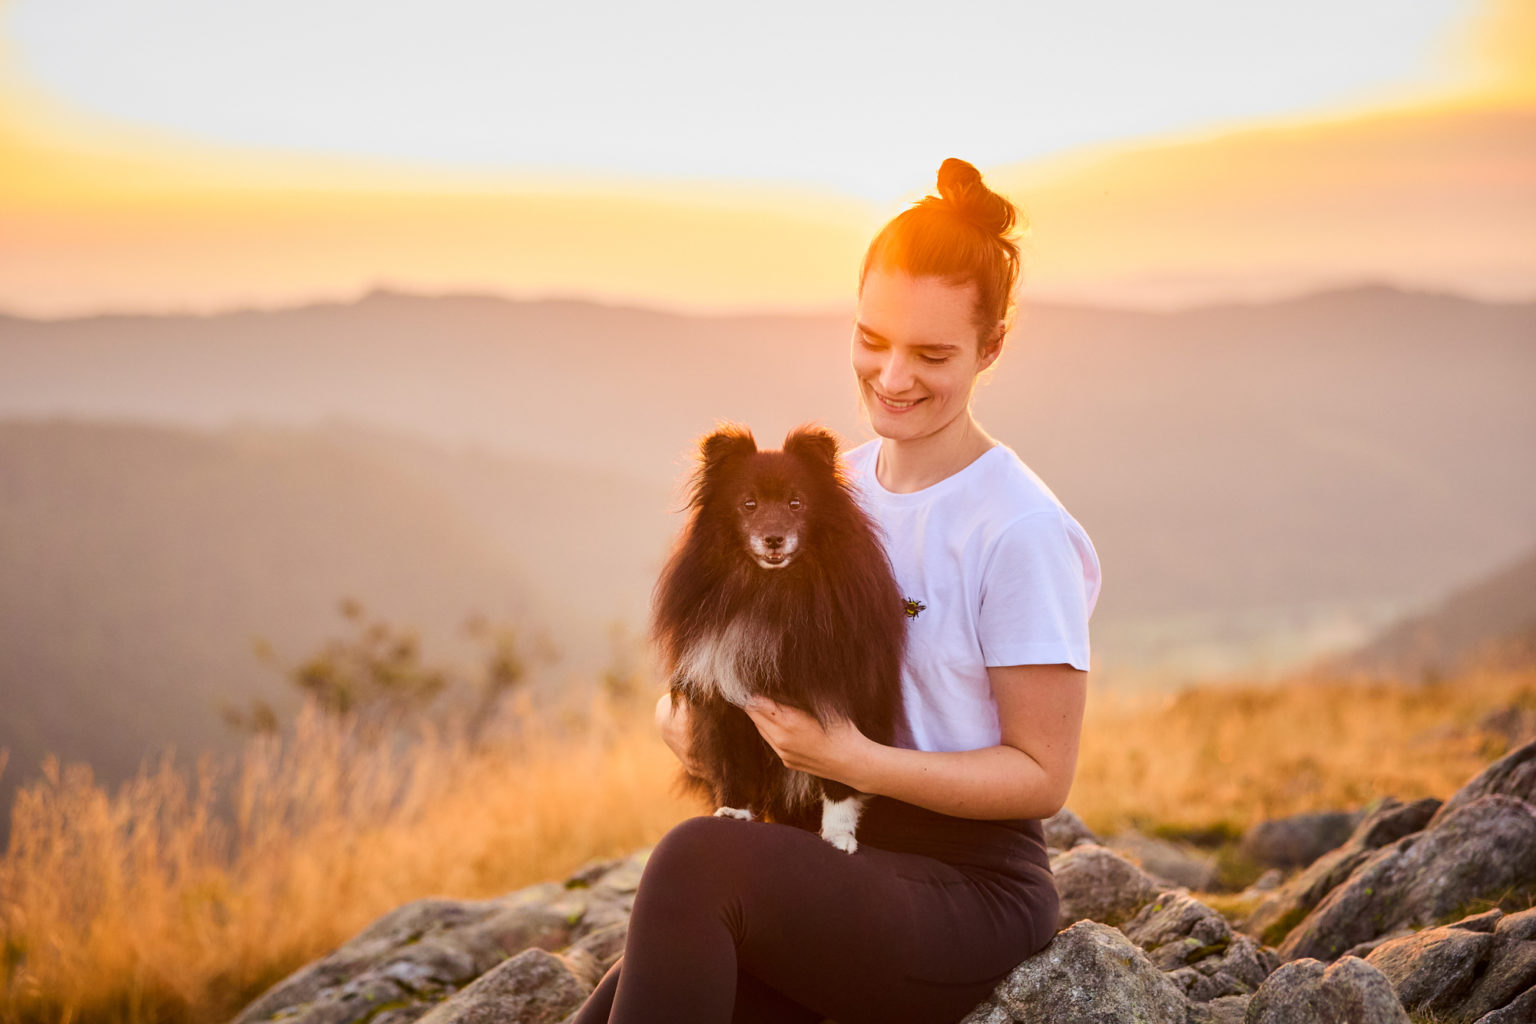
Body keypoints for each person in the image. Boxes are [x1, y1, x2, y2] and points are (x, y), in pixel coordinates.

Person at [571, 157, 1101, 1024]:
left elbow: (1042, 776)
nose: (892, 378)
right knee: (617, 1002)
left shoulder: (1017, 528)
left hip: (963, 890)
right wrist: (699, 724)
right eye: (872, 340)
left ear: (991, 348)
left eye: (932, 353)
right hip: (828, 853)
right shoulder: (820, 490)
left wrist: (855, 763)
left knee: (697, 865)